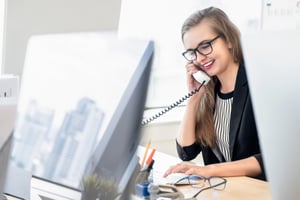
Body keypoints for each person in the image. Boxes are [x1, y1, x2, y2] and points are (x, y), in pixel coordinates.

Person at [163, 6, 266, 180]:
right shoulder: (209, 92)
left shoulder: (260, 84)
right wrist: (194, 99)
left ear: (229, 40)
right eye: (192, 52)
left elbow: (269, 159)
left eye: (205, 46)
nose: (199, 58)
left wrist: (211, 170)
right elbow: (186, 152)